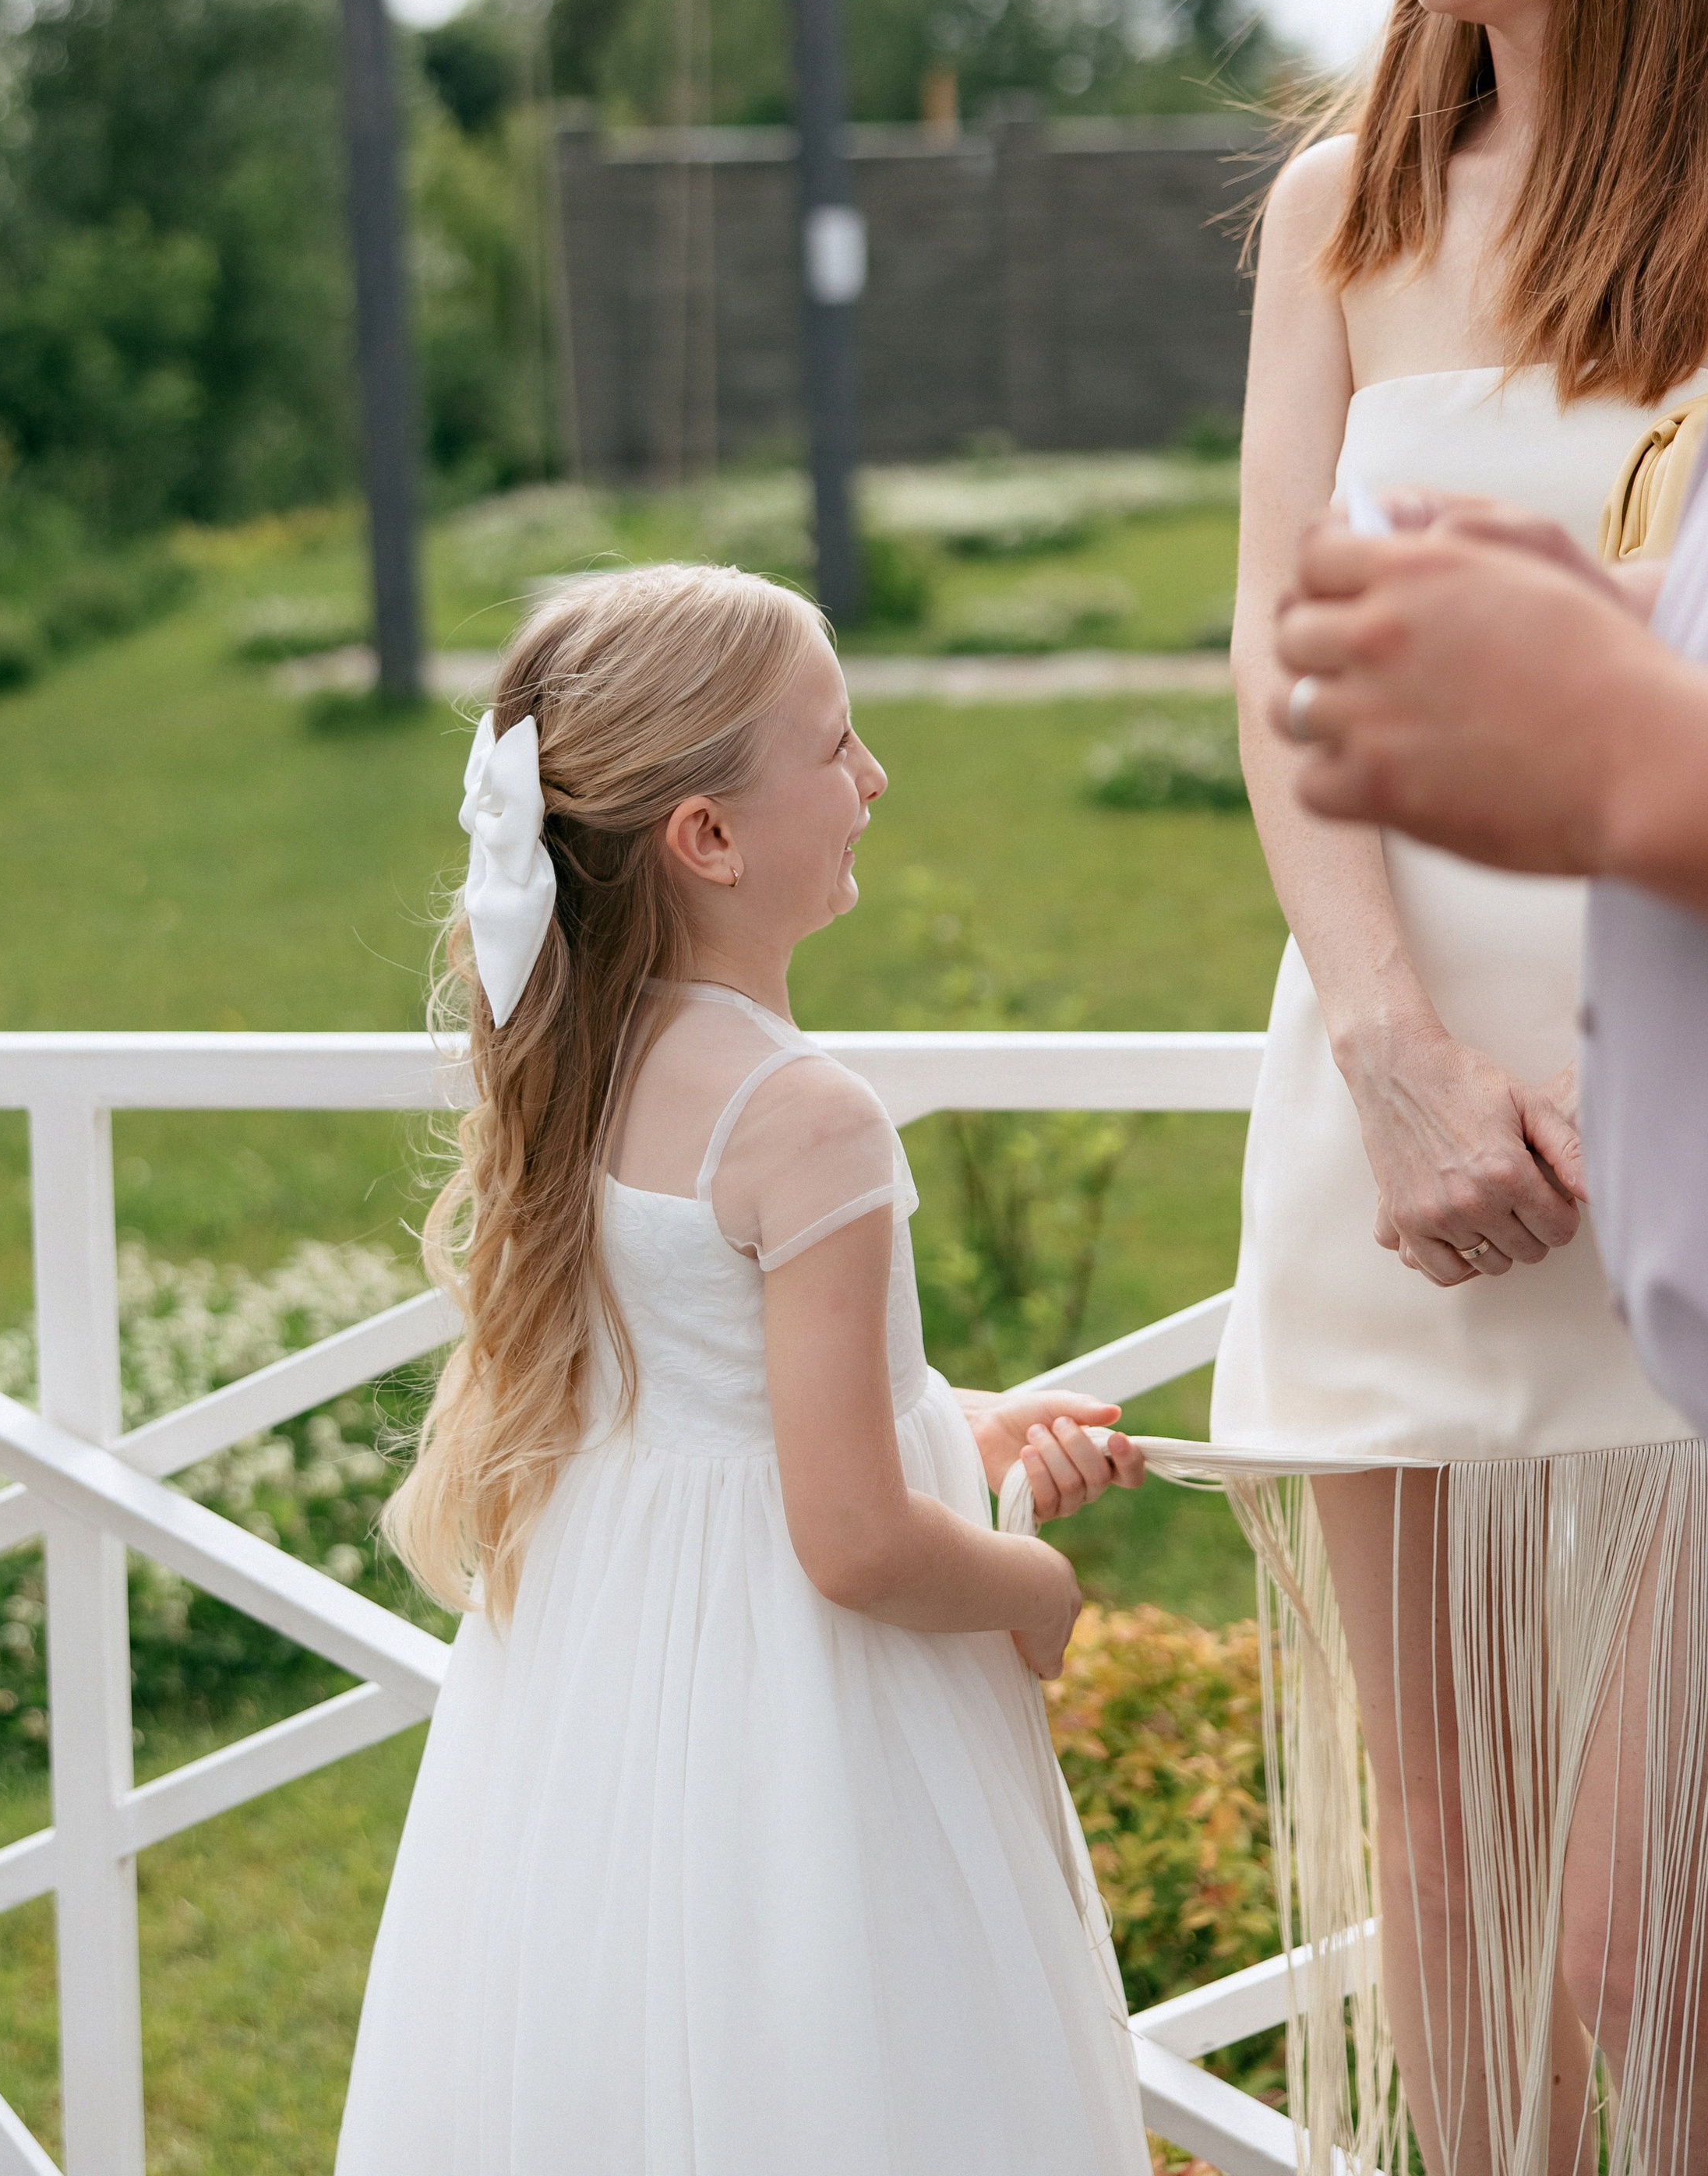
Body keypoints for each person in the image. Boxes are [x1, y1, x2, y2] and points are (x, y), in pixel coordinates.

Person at [1206, 0, 1708, 2176]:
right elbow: (1277, 663)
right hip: (1392, 1119)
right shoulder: (1343, 208)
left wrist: (1555, 1089)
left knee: (1651, 1934)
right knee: (1432, 1895)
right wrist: (1393, 1057)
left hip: (1683, 1163)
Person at [335, 562, 1149, 2176]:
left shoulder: (587, 1049)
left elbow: (705, 1389)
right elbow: (849, 1543)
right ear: (705, 838)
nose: (873, 780)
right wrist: (1031, 1586)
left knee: (638, 2043)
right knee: (838, 2054)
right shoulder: (804, 1117)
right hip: (802, 1706)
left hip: (614, 1668)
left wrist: (961, 1426)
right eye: (835, 747)